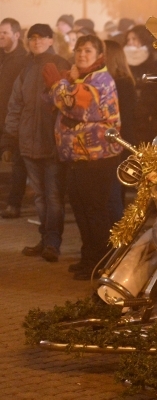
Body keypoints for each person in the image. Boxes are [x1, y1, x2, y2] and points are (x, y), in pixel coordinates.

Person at [43, 34, 122, 279]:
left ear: (99, 55)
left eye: (87, 50)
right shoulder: (82, 77)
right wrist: (65, 82)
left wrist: (58, 84)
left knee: (94, 211)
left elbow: (74, 103)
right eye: (78, 50)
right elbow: (52, 100)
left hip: (97, 159)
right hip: (79, 157)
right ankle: (89, 256)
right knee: (81, 208)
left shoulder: (101, 79)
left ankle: (99, 262)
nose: (81, 54)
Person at [3, 23, 71, 263]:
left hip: (52, 142)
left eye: (41, 38)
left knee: (53, 195)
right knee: (41, 196)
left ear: (51, 40)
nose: (36, 42)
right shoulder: (27, 67)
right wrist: (12, 133)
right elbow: (16, 102)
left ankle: (53, 242)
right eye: (33, 38)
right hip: (28, 141)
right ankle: (45, 239)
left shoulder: (61, 65)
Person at [103, 39, 136, 223]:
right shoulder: (120, 81)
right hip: (119, 138)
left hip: (118, 139)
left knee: (115, 188)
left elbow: (125, 115)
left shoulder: (121, 82)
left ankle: (118, 229)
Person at [0, 18, 30, 219]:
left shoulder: (23, 60)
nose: (1, 37)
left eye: (5, 34)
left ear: (17, 35)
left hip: (12, 118)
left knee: (18, 162)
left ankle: (14, 203)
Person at [124, 25, 157, 144]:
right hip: (129, 110)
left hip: (149, 110)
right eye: (128, 39)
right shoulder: (122, 58)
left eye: (134, 39)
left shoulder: (154, 59)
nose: (131, 42)